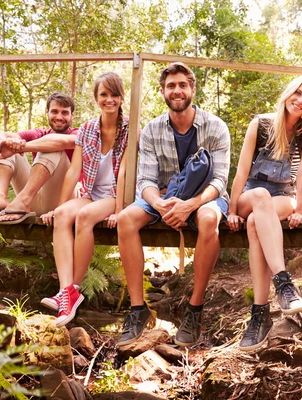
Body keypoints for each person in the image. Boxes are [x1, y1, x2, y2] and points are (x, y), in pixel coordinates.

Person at [116, 62, 230, 347]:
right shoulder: (153, 129)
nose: (176, 91)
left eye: (182, 85)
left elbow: (219, 181)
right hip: (163, 198)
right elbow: (145, 180)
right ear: (163, 91)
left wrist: (188, 205)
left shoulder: (215, 126)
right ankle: (138, 309)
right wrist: (163, 205)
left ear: (192, 88)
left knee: (207, 219)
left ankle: (194, 309)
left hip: (205, 198)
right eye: (171, 86)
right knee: (125, 219)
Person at [227, 76, 302, 351]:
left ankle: (260, 315)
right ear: (289, 93)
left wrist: (300, 207)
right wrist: (231, 210)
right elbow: (242, 171)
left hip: (283, 197)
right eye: (298, 93)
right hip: (251, 194)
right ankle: (284, 285)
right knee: (258, 201)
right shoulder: (262, 124)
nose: (300, 100)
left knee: (256, 221)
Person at [38, 73, 131, 327]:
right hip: (91, 192)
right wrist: (59, 206)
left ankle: (72, 291)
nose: (109, 100)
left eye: (114, 95)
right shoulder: (88, 129)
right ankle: (65, 290)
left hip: (115, 195)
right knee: (63, 216)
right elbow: (72, 170)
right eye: (103, 95)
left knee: (84, 216)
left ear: (122, 97)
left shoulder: (131, 129)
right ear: (96, 98)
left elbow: (124, 171)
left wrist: (119, 210)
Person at [0, 93, 78, 224]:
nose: (59, 117)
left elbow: (59, 142)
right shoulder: (39, 133)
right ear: (47, 113)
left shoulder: (78, 134)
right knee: (6, 146)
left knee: (52, 145)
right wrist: (5, 143)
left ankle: (23, 200)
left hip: (64, 202)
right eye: (54, 111)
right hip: (33, 202)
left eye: (64, 113)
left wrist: (21, 147)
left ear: (72, 116)